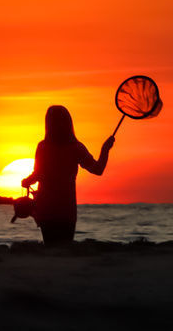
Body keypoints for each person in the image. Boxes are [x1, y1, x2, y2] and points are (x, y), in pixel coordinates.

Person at [19, 104, 114, 245]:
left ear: (47, 124)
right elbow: (98, 169)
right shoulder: (76, 147)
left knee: (50, 248)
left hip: (47, 208)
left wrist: (26, 181)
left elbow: (38, 174)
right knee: (65, 249)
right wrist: (105, 150)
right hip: (66, 208)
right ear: (69, 123)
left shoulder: (43, 147)